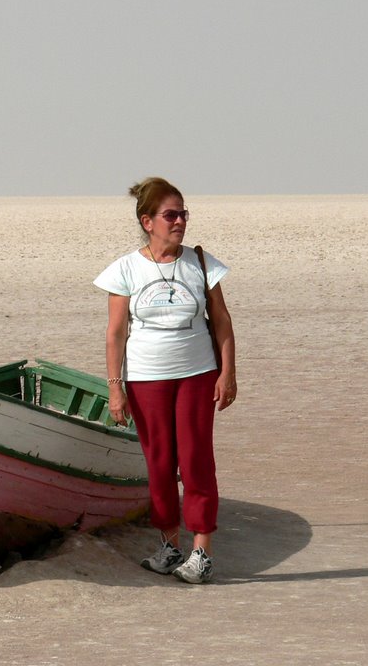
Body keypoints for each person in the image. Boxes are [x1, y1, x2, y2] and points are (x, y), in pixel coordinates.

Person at [93, 177, 237, 584]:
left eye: (183, 214)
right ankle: (170, 546)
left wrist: (228, 372)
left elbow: (222, 322)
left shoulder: (201, 263)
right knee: (159, 464)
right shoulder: (125, 269)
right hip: (145, 379)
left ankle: (202, 552)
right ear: (147, 221)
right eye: (170, 215)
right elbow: (115, 333)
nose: (179, 222)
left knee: (196, 461)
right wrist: (115, 388)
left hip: (196, 374)